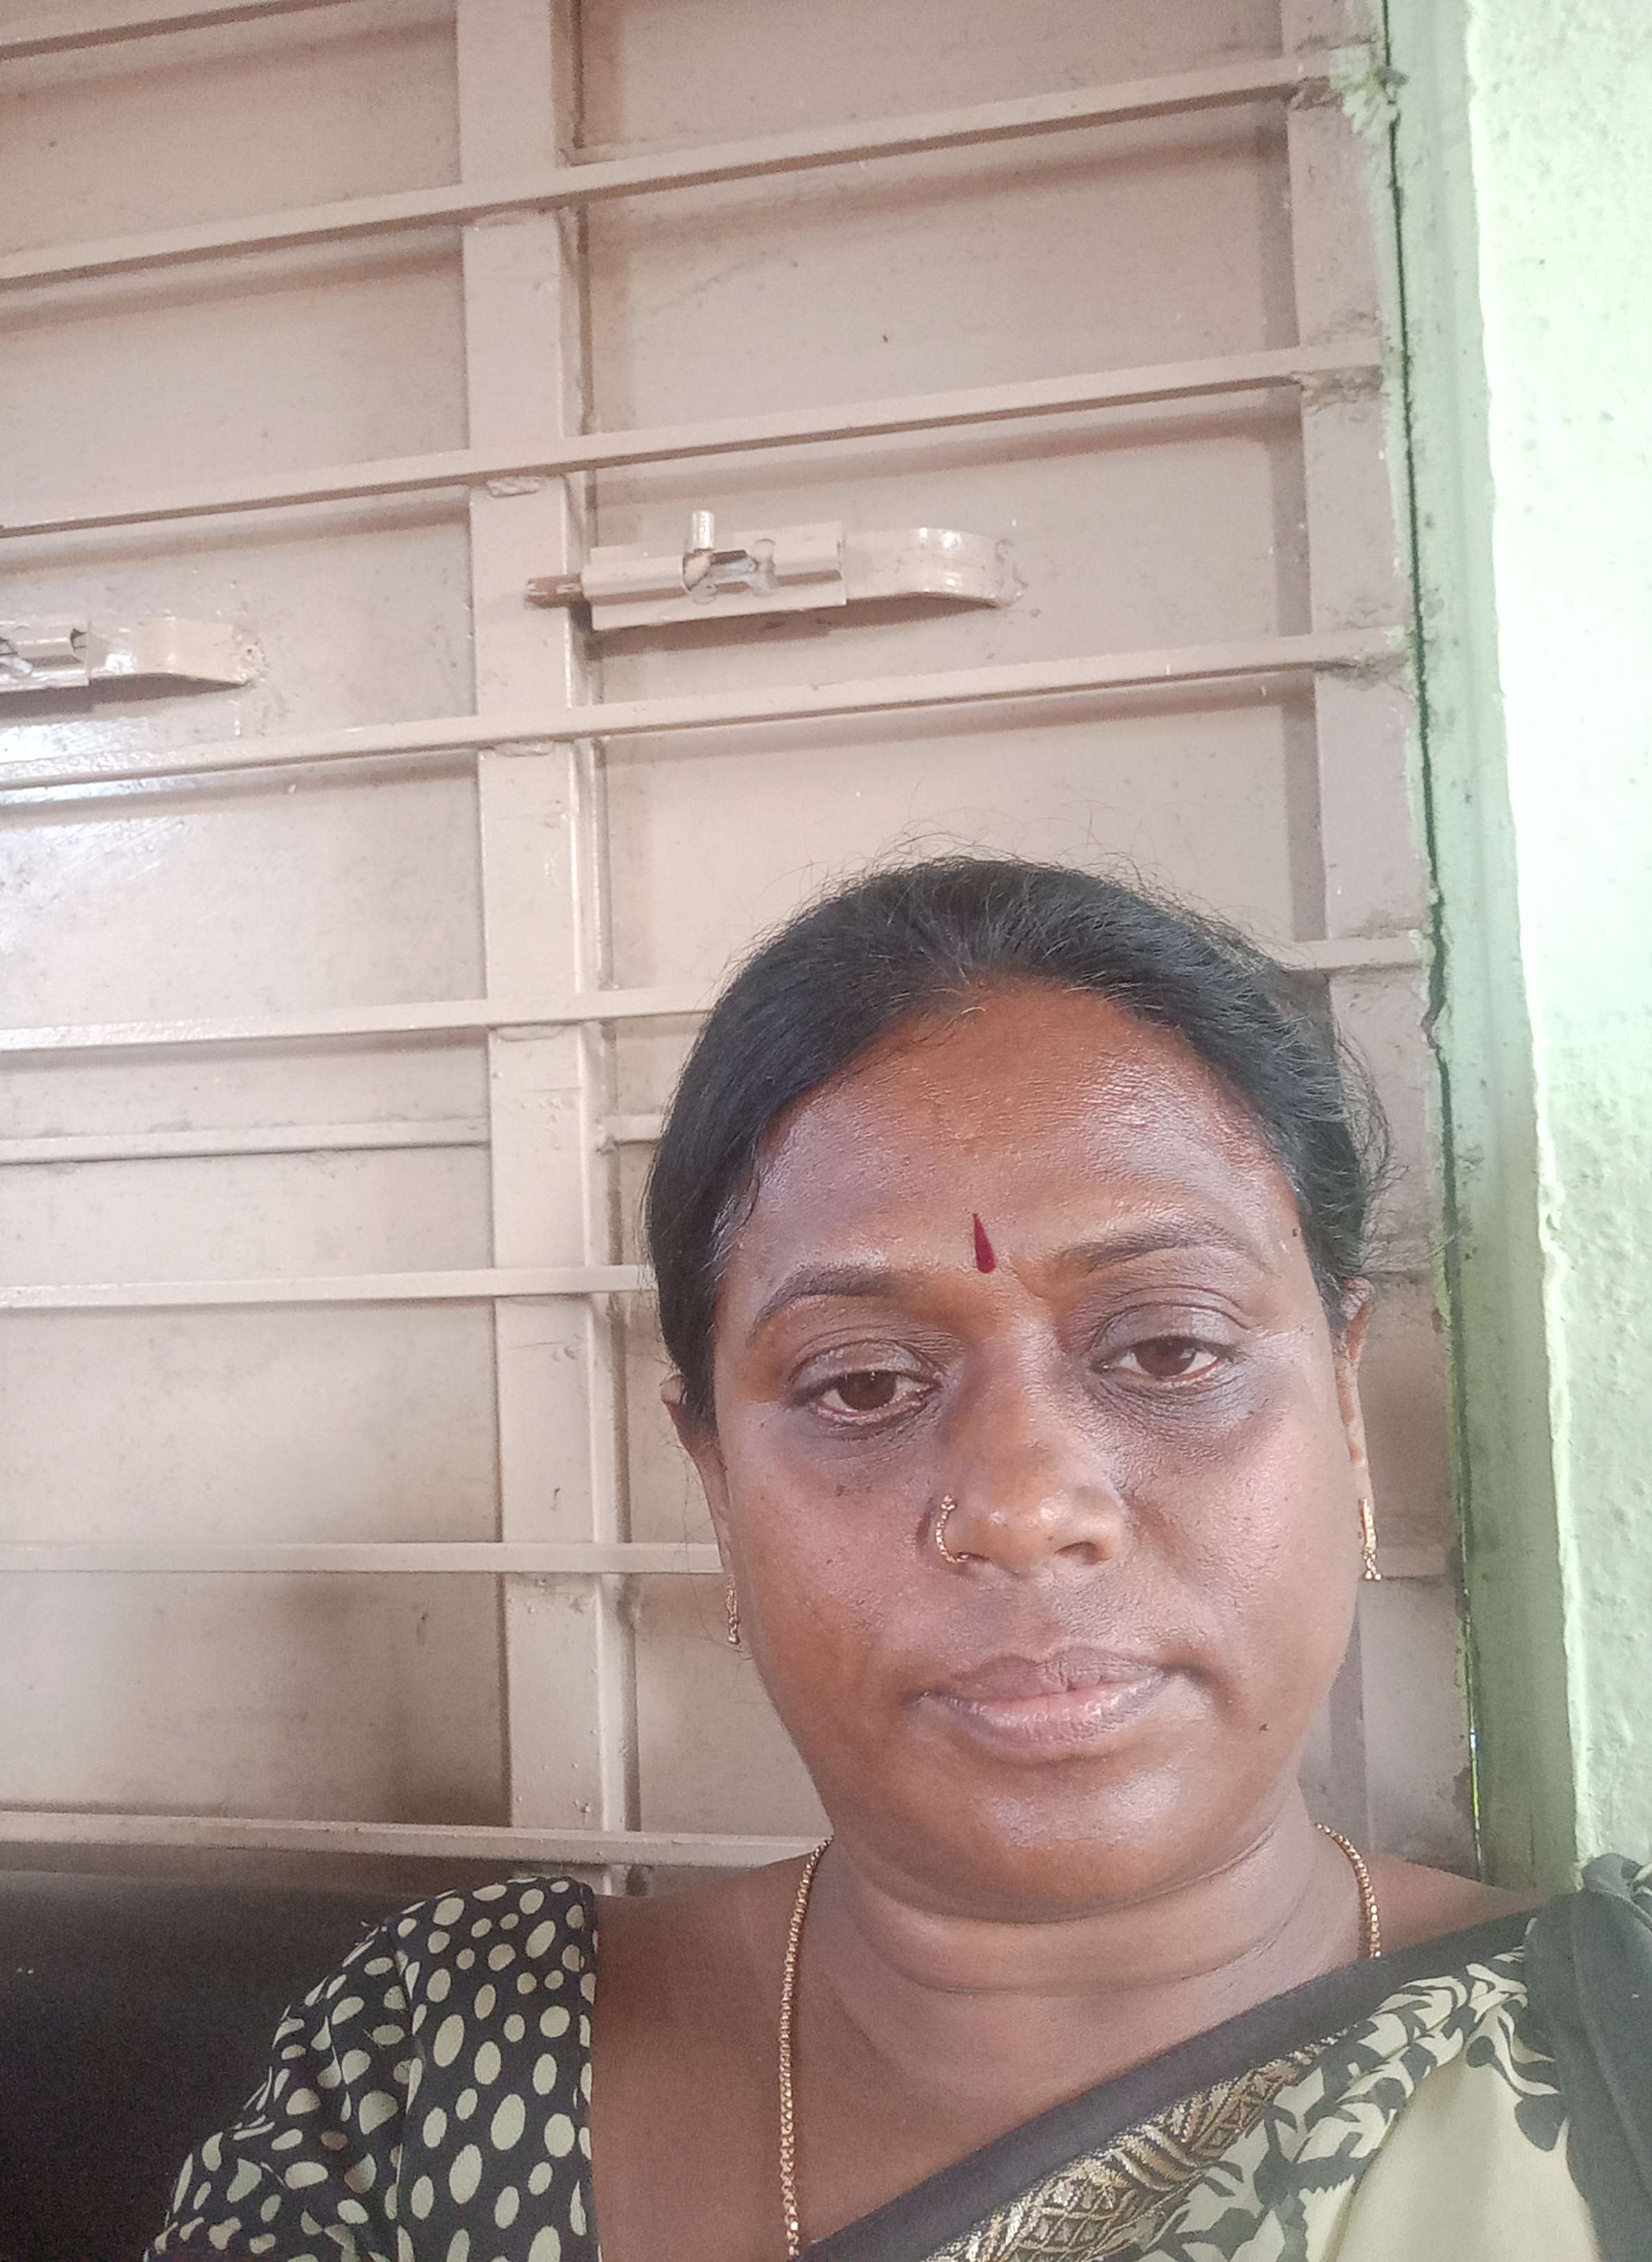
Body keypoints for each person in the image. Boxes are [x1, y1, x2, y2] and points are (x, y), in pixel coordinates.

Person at [150, 857, 1648, 2262]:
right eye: (861, 1384)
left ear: (1345, 1408)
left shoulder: (1620, 2049)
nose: (1024, 1507)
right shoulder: (441, 2067)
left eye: (1171, 1349)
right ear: (717, 1483)